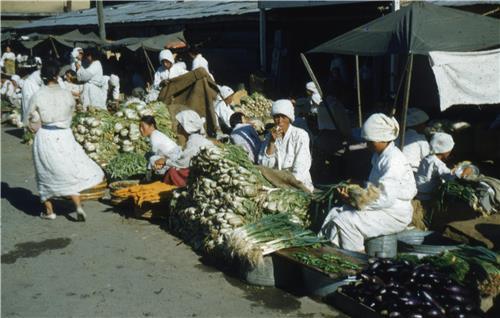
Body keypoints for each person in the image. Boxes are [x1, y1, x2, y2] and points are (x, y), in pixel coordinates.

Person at [319, 113, 417, 252]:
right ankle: (333, 254)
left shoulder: (393, 161)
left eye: (371, 142)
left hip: (394, 213)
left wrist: (355, 201)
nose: (368, 145)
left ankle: (357, 262)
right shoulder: (380, 156)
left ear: (383, 139)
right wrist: (359, 183)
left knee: (346, 222)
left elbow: (385, 198)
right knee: (336, 213)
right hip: (383, 207)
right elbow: (376, 186)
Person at [25, 60, 104, 220]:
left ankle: (49, 211)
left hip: (46, 135)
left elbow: (28, 119)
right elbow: (72, 111)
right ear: (56, 75)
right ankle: (78, 207)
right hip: (65, 134)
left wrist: (34, 125)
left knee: (44, 172)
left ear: (43, 77)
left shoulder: (38, 95)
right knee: (68, 170)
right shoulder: (66, 93)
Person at [258, 99, 314, 192]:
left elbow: (301, 166)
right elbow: (264, 166)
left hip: (298, 184)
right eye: (276, 117)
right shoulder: (269, 137)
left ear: (289, 118)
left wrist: (288, 187)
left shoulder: (300, 135)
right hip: (276, 183)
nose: (280, 121)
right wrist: (271, 143)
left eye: (283, 117)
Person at [163, 110, 214, 187]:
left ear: (185, 127)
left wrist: (166, 162)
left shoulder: (193, 141)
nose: (178, 126)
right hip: (201, 169)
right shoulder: (196, 139)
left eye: (179, 124)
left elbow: (183, 163)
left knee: (172, 172)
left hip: (201, 173)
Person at [415, 132, 458, 201]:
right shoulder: (438, 164)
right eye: (449, 152)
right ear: (445, 151)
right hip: (427, 196)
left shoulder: (427, 158)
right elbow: (449, 177)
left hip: (418, 191)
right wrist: (459, 172)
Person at [401, 108, 431, 173]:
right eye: (424, 124)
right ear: (419, 124)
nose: (425, 126)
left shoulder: (399, 137)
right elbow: (428, 159)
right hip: (413, 173)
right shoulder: (420, 138)